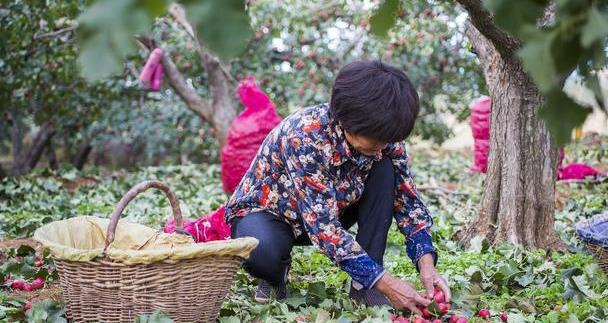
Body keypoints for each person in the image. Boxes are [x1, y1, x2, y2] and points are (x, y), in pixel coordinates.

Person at [224, 60, 450, 315]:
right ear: (344, 120)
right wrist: (387, 282)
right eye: (373, 141)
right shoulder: (304, 135)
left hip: (335, 208)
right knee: (262, 254)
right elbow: (323, 227)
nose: (380, 147)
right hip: (271, 214)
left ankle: (363, 286)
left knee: (386, 170)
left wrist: (426, 263)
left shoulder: (385, 141)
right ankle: (275, 276)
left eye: (386, 140)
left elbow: (407, 202)